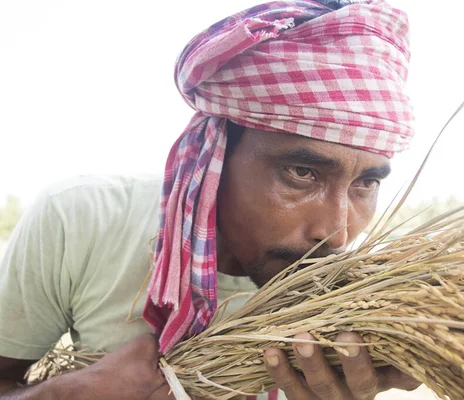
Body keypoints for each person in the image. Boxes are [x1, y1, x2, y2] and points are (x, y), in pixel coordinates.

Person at [0, 0, 422, 398]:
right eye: (302, 173)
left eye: (365, 184)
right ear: (215, 153)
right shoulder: (81, 218)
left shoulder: (357, 299)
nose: (337, 232)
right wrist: (64, 394)